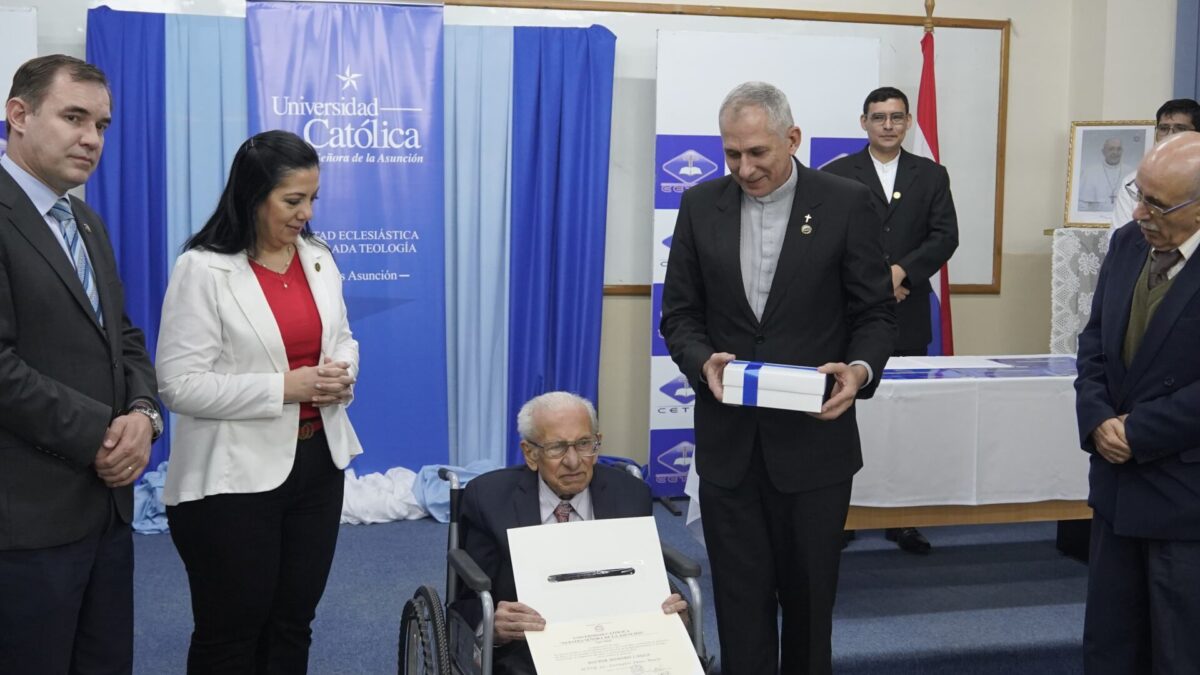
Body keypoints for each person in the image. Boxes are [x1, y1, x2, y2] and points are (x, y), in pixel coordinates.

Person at [660, 81, 895, 674]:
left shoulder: (846, 202)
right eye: (732, 154)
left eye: (758, 152)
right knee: (739, 606)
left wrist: (860, 370)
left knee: (811, 604)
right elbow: (680, 316)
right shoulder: (698, 205)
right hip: (728, 447)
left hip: (814, 447)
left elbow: (874, 315)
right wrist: (700, 359)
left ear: (792, 139)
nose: (744, 168)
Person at [157, 130, 363, 673]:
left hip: (318, 466)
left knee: (293, 622)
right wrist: (284, 389)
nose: (306, 213)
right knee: (232, 632)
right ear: (253, 196)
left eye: (313, 199)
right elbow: (179, 384)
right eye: (293, 200)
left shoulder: (317, 257)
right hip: (231, 482)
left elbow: (342, 337)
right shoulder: (203, 269)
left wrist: (343, 374)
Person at [0, 55, 161, 673]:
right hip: (25, 523)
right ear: (19, 115)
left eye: (102, 124)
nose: (92, 139)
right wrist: (99, 431)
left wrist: (144, 414)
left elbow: (121, 336)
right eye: (74, 117)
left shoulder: (85, 220)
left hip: (105, 512)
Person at [1075, 131, 1200, 673]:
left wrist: (1140, 431)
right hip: (1116, 492)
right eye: (1138, 192)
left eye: (1157, 202)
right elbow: (1094, 343)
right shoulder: (1128, 242)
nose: (1141, 211)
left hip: (1183, 500)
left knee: (1176, 651)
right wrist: (1099, 419)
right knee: (1111, 647)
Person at [456, 392, 688, 675]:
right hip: (532, 644)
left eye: (584, 444)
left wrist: (670, 609)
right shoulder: (489, 499)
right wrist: (492, 626)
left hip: (622, 641)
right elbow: (467, 599)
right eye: (557, 448)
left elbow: (640, 575)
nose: (574, 461)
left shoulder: (631, 494)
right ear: (530, 453)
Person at [823, 86, 959, 554]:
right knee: (844, 417)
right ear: (863, 122)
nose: (887, 125)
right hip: (849, 316)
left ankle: (903, 518)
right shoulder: (837, 173)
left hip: (907, 311)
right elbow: (825, 243)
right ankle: (842, 515)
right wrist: (875, 282)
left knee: (901, 421)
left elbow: (946, 237)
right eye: (878, 117)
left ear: (907, 124)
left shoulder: (931, 175)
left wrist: (901, 272)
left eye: (896, 117)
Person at [1109, 98, 1200, 229]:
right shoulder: (1133, 182)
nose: (1170, 135)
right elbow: (1121, 241)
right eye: (1163, 128)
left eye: (1180, 128)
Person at [1079, 137, 1136, 212]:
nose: (1115, 152)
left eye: (1118, 149)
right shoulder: (1089, 172)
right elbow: (1081, 205)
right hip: (1095, 220)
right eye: (1111, 149)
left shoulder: (1131, 172)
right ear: (1103, 151)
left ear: (1122, 151)